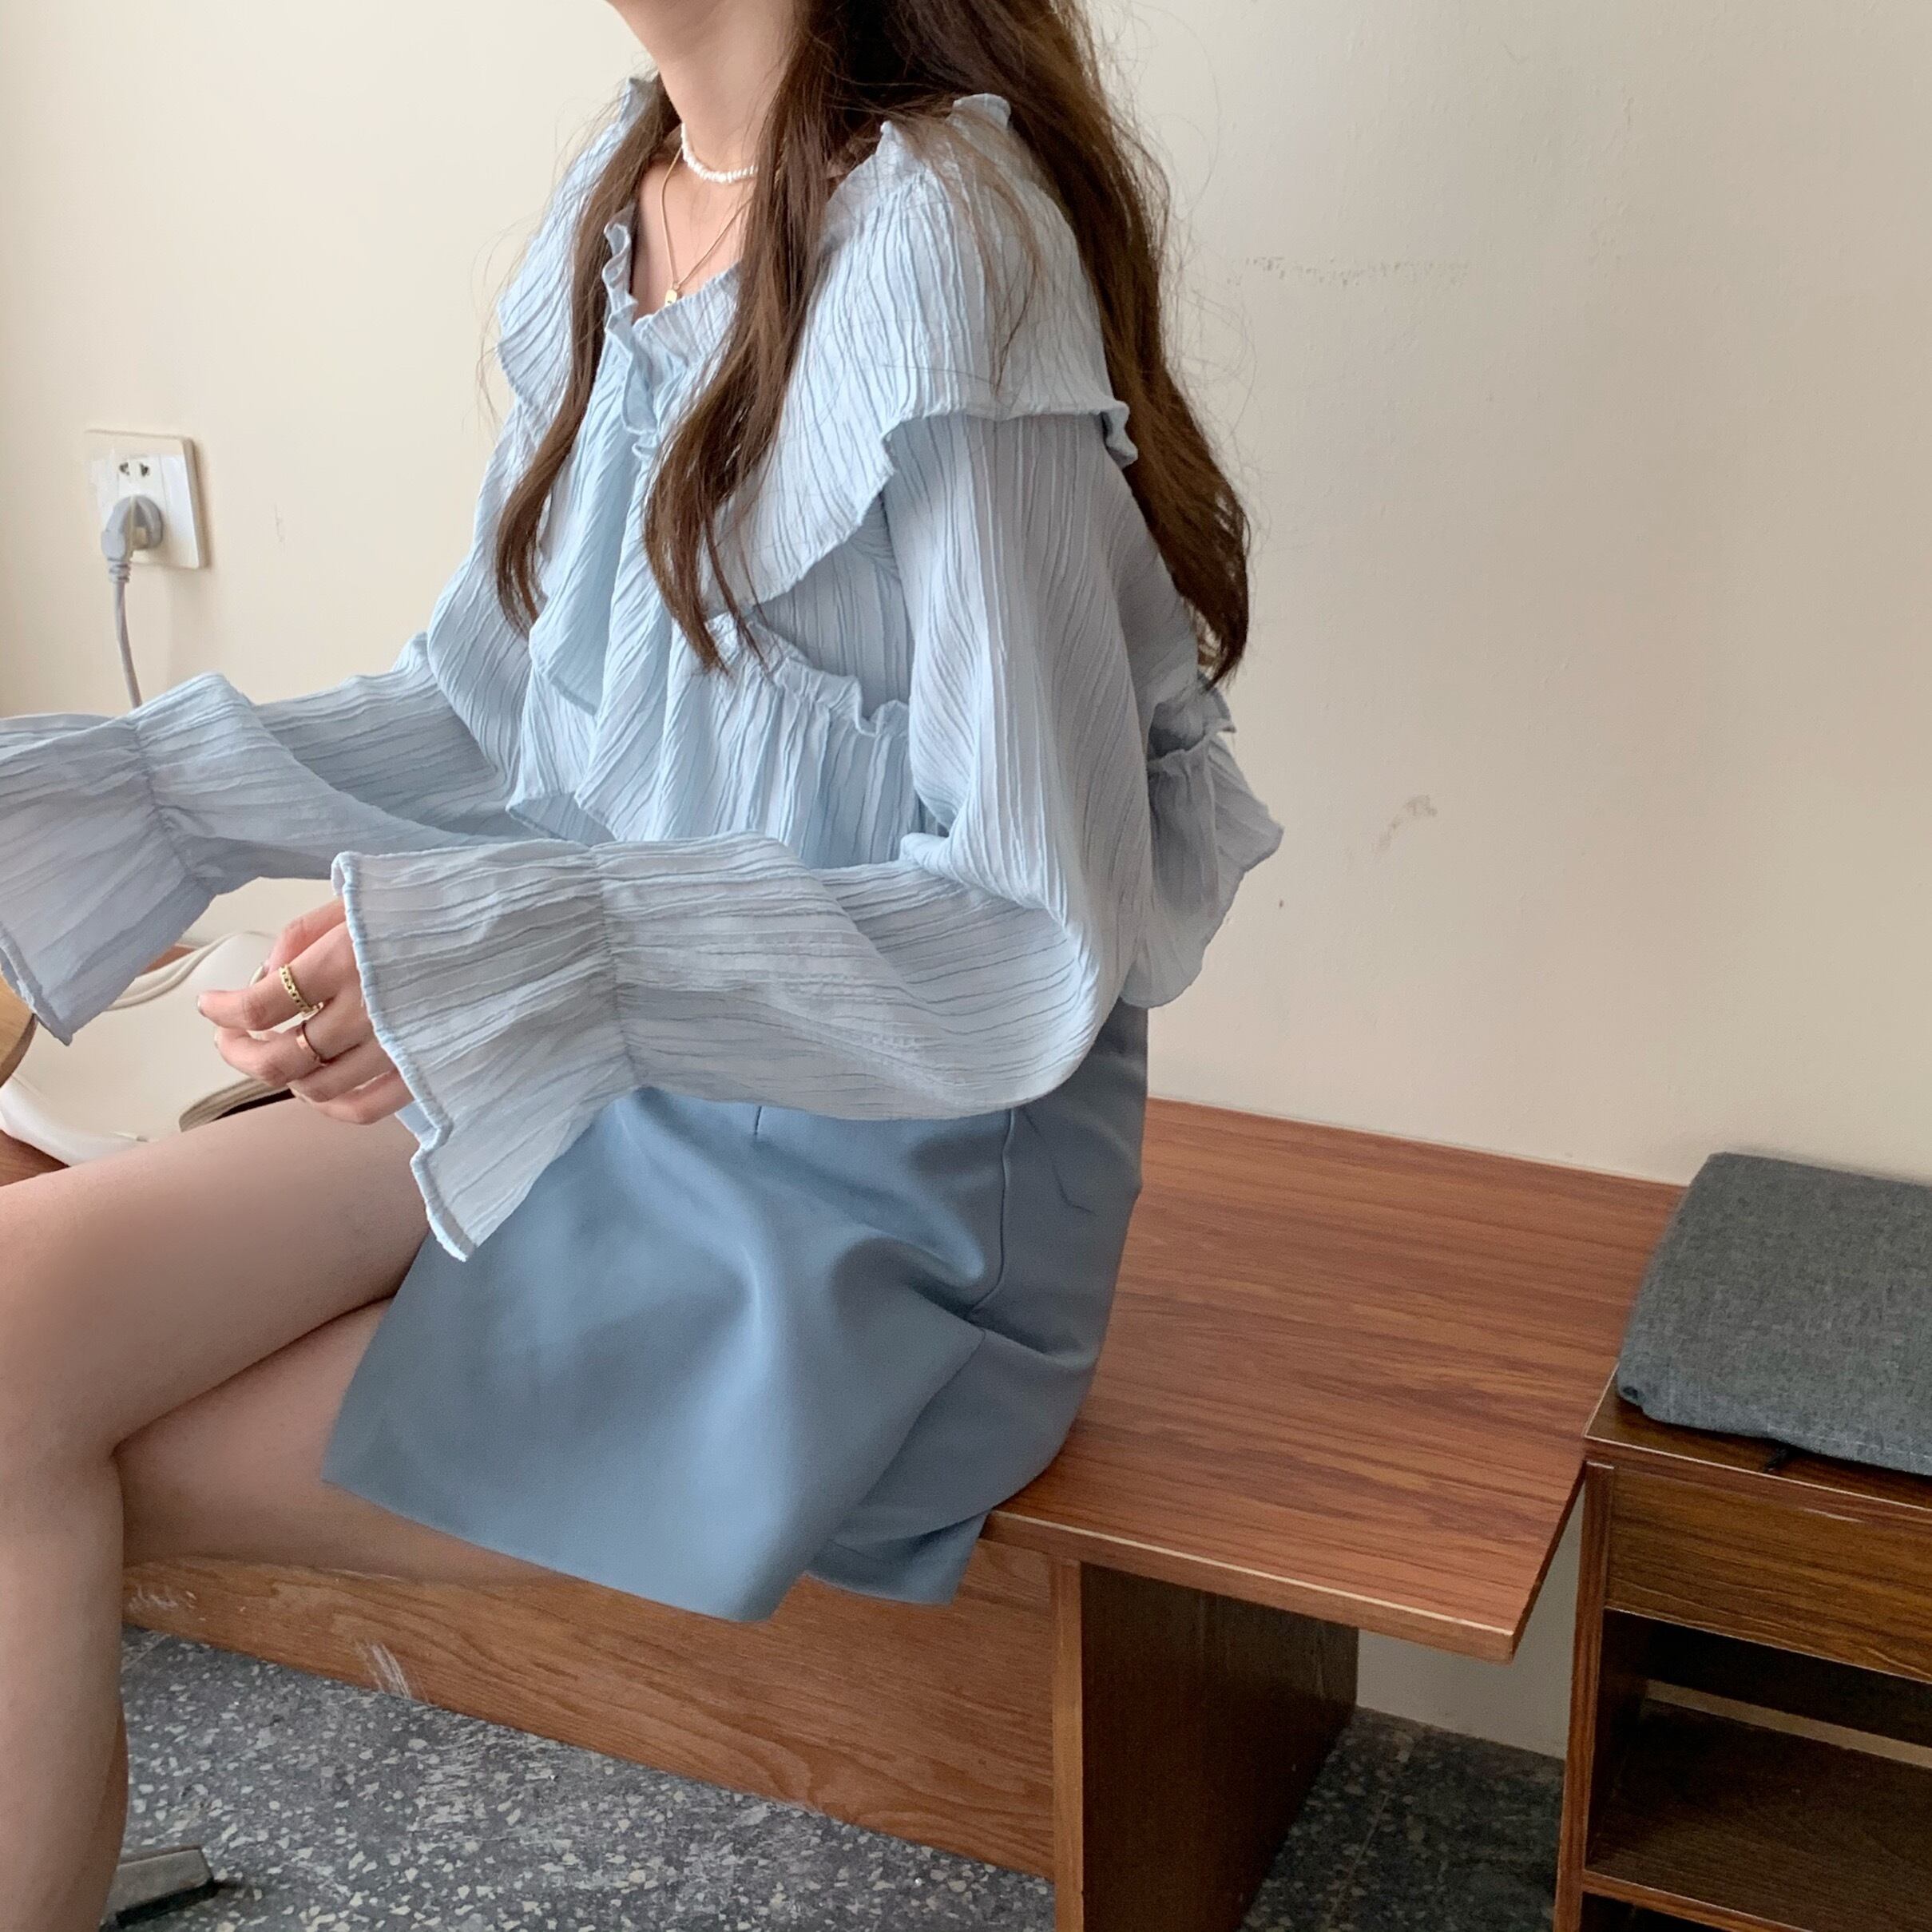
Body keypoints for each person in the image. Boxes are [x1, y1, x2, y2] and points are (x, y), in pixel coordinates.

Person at [0, 0, 1280, 1922]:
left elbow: (1030, 930)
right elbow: (488, 711)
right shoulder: (623, 205)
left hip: (882, 1187)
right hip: (617, 1070)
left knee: (54, 1431)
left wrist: (538, 949)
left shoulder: (944, 233)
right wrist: (118, 797)